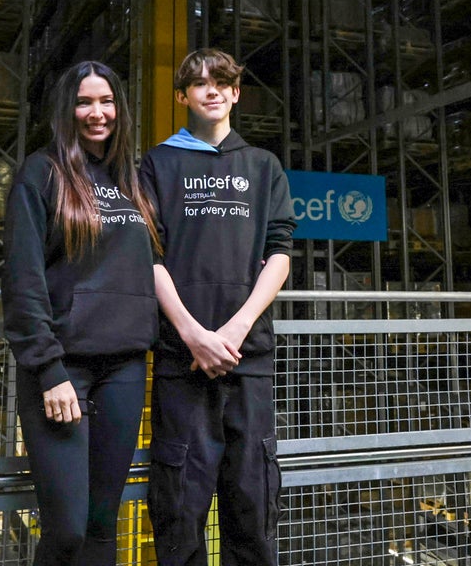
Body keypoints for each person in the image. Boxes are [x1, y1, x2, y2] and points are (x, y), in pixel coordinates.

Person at [2, 60, 163, 566]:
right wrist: (48, 369)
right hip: (61, 369)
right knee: (67, 528)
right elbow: (22, 278)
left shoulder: (132, 182)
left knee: (100, 524)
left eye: (107, 101)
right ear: (67, 111)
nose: (98, 113)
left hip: (125, 366)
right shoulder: (41, 173)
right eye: (85, 102)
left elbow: (151, 266)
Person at [140, 48, 296, 566]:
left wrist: (235, 328)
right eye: (199, 83)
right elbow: (148, 255)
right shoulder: (157, 163)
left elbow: (279, 253)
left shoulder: (263, 166)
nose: (212, 89)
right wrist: (193, 334)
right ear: (182, 96)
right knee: (179, 506)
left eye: (222, 82)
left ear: (235, 93)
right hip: (181, 360)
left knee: (252, 502)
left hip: (247, 358)